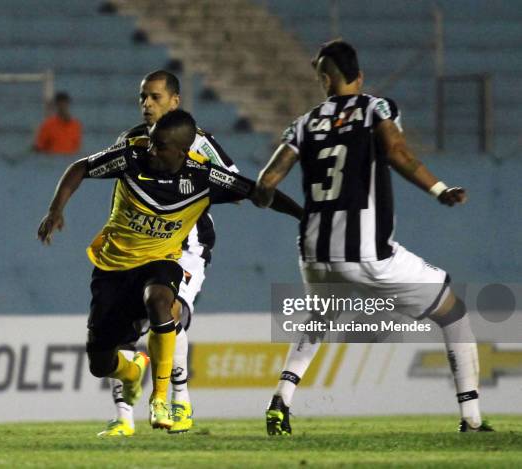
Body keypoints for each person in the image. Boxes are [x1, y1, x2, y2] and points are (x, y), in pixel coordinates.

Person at [254, 40, 493, 434]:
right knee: (452, 311)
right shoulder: (376, 107)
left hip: (313, 253)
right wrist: (440, 189)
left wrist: (264, 199)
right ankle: (471, 417)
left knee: (320, 316)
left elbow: (266, 183)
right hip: (366, 254)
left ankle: (281, 398)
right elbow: (397, 152)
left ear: (325, 80)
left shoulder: (303, 123)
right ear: (358, 77)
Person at [37, 109, 302, 432]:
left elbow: (258, 193)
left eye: (159, 146)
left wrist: (303, 215)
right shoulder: (130, 158)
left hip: (161, 261)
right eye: (150, 143)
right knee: (99, 363)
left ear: (181, 151)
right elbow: (80, 168)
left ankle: (160, 399)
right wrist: (55, 210)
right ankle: (133, 371)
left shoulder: (204, 177)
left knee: (161, 301)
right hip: (114, 268)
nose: (151, 150)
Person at [103, 70, 239, 437]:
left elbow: (234, 182)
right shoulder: (129, 141)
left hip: (186, 247)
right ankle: (123, 418)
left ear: (175, 101)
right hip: (138, 245)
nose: (147, 104)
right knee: (123, 324)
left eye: (156, 97)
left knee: (168, 308)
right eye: (143, 97)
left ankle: (179, 398)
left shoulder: (200, 142)